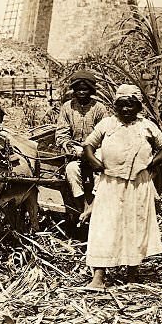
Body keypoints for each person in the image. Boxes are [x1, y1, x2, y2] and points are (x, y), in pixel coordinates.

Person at [81, 84, 162, 289]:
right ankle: (98, 276)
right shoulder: (107, 124)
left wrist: (150, 164)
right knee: (105, 227)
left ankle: (132, 273)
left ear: (138, 106)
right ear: (116, 106)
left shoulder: (146, 126)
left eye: (131, 105)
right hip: (110, 184)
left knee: (135, 226)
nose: (126, 109)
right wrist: (94, 162)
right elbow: (89, 145)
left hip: (138, 185)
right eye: (122, 105)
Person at [56, 70, 109, 221]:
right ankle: (82, 207)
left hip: (96, 150)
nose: (81, 92)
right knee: (71, 170)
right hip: (76, 151)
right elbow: (61, 133)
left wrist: (91, 151)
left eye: (85, 89)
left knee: (100, 172)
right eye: (78, 89)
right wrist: (71, 147)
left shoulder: (99, 108)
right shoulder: (67, 107)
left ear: (91, 90)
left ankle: (95, 202)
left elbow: (105, 133)